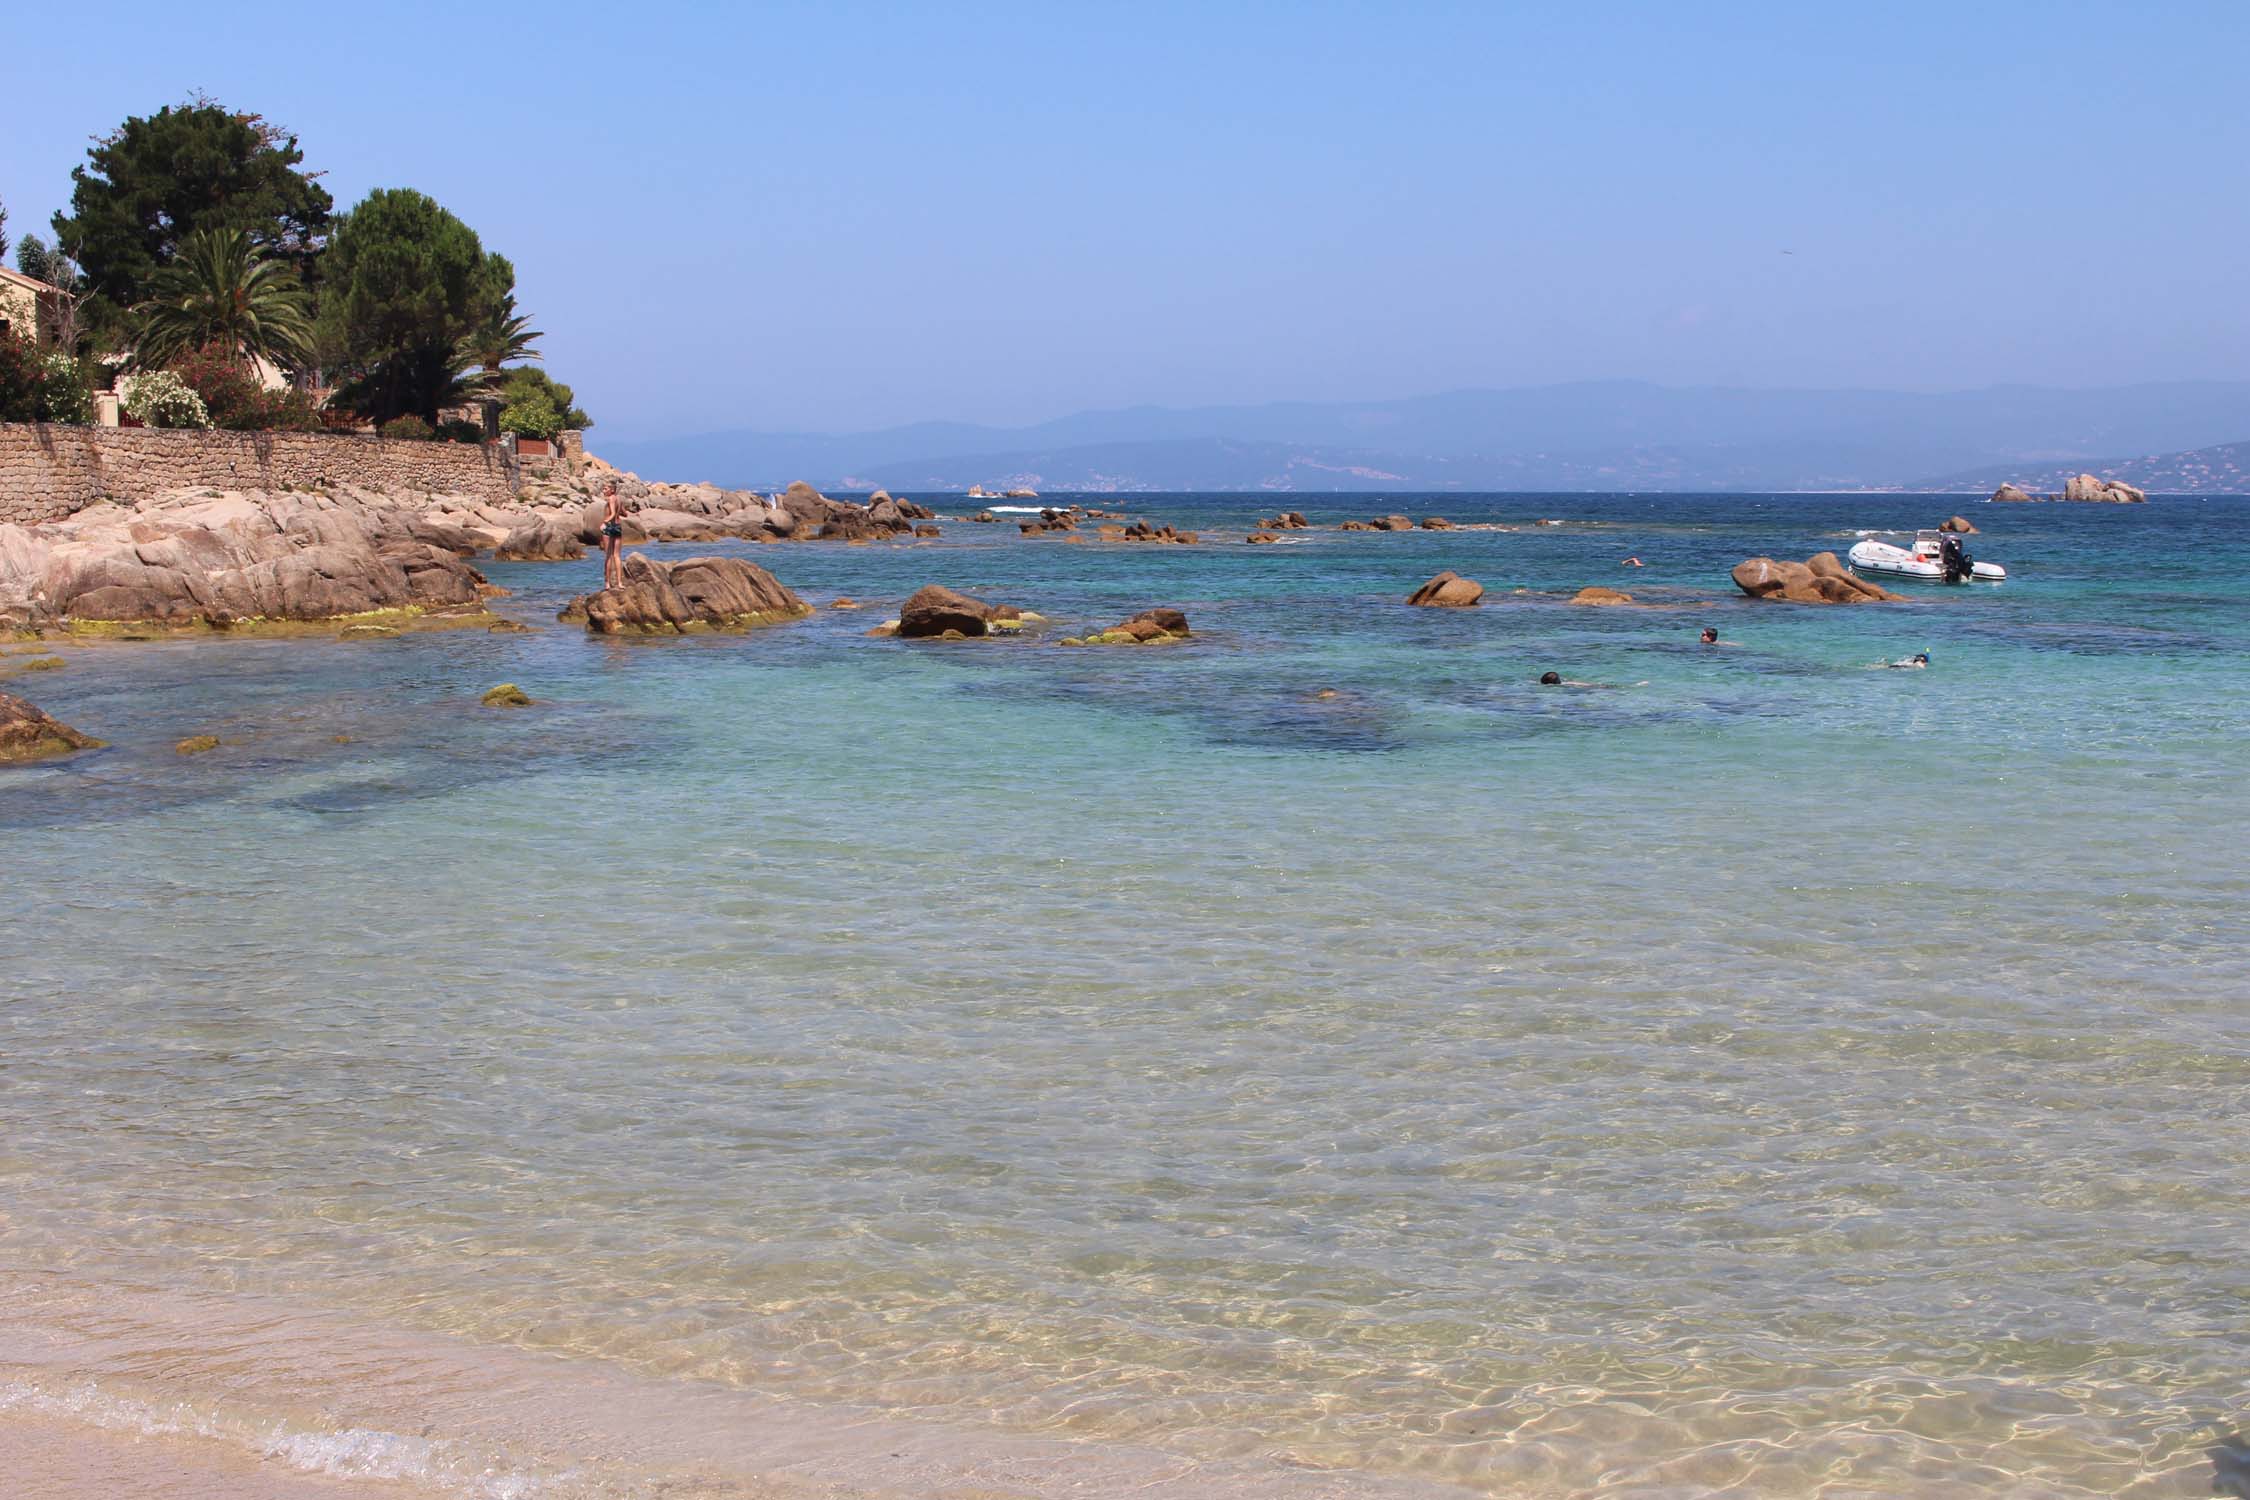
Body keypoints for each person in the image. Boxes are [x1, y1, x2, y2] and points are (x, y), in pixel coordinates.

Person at [600, 481, 626, 590]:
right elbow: (624, 513)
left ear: (612, 490)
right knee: (617, 556)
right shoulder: (619, 499)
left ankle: (607, 583)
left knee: (608, 556)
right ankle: (620, 583)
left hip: (610, 527)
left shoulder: (611, 499)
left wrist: (604, 523)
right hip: (618, 527)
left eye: (605, 489)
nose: (603, 491)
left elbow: (613, 513)